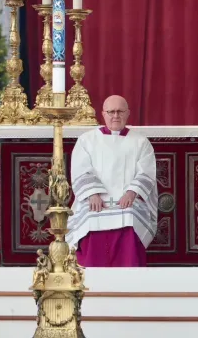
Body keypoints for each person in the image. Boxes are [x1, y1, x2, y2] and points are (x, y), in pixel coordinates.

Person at [66, 95, 158, 267]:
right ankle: (91, 278)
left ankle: (129, 276)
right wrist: (92, 194)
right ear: (103, 114)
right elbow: (81, 169)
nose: (115, 115)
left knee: (130, 217)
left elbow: (146, 172)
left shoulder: (140, 142)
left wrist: (132, 193)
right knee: (90, 217)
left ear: (128, 113)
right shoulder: (87, 140)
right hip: (96, 200)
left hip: (128, 200)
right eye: (111, 112)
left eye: (120, 111)